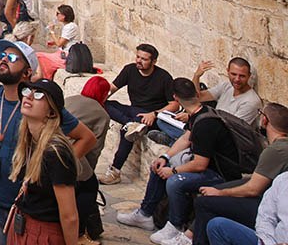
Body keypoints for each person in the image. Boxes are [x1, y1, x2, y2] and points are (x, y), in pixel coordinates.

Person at [0, 40, 98, 245]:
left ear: (27, 72)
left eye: (13, 58)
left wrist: (54, 168)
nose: (4, 59)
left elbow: (87, 138)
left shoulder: (41, 106)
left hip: (28, 206)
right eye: (3, 55)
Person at [117, 78, 244, 244]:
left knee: (175, 181)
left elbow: (200, 164)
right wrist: (165, 157)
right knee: (159, 166)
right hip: (206, 166)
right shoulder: (198, 113)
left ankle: (176, 226)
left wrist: (174, 171)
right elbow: (186, 138)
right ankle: (145, 214)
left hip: (221, 175)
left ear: (176, 98)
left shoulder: (206, 124)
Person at [193, 102, 288, 244]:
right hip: (268, 209)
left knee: (205, 203)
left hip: (262, 203)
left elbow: (253, 189)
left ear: (265, 120)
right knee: (215, 212)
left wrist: (220, 193)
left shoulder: (276, 150)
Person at [6, 79, 80, 245]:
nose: (29, 97)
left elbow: (69, 215)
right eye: (27, 92)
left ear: (51, 112)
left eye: (39, 95)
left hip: (43, 233)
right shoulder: (30, 142)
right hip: (23, 227)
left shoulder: (56, 152)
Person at [99, 44, 176, 184]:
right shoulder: (130, 70)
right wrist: (99, 99)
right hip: (133, 112)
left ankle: (115, 171)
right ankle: (130, 124)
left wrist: (154, 114)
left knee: (125, 133)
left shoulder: (163, 77)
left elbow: (174, 104)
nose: (139, 61)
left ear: (154, 62)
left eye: (144, 59)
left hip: (150, 117)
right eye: (138, 57)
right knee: (107, 105)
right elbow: (112, 88)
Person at [63, 76, 111, 244]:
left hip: (52, 144)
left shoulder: (70, 99)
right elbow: (94, 150)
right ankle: (79, 233)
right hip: (71, 152)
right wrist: (87, 173)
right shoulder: (102, 115)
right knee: (89, 188)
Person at [205, 171, 288, 245]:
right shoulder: (282, 180)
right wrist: (269, 242)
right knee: (217, 225)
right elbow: (265, 217)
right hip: (272, 241)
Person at [193, 57, 263, 126]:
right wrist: (196, 76)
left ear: (249, 75)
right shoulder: (226, 86)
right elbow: (198, 97)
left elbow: (233, 129)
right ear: (228, 71)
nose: (237, 79)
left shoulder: (251, 102)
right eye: (234, 74)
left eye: (242, 76)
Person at [35, 5, 83, 81]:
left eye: (58, 13)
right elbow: (63, 41)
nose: (56, 16)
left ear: (63, 16)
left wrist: (52, 31)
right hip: (63, 53)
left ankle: (45, 79)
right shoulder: (68, 26)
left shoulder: (70, 27)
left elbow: (59, 43)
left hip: (68, 57)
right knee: (39, 56)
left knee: (39, 56)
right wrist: (53, 43)